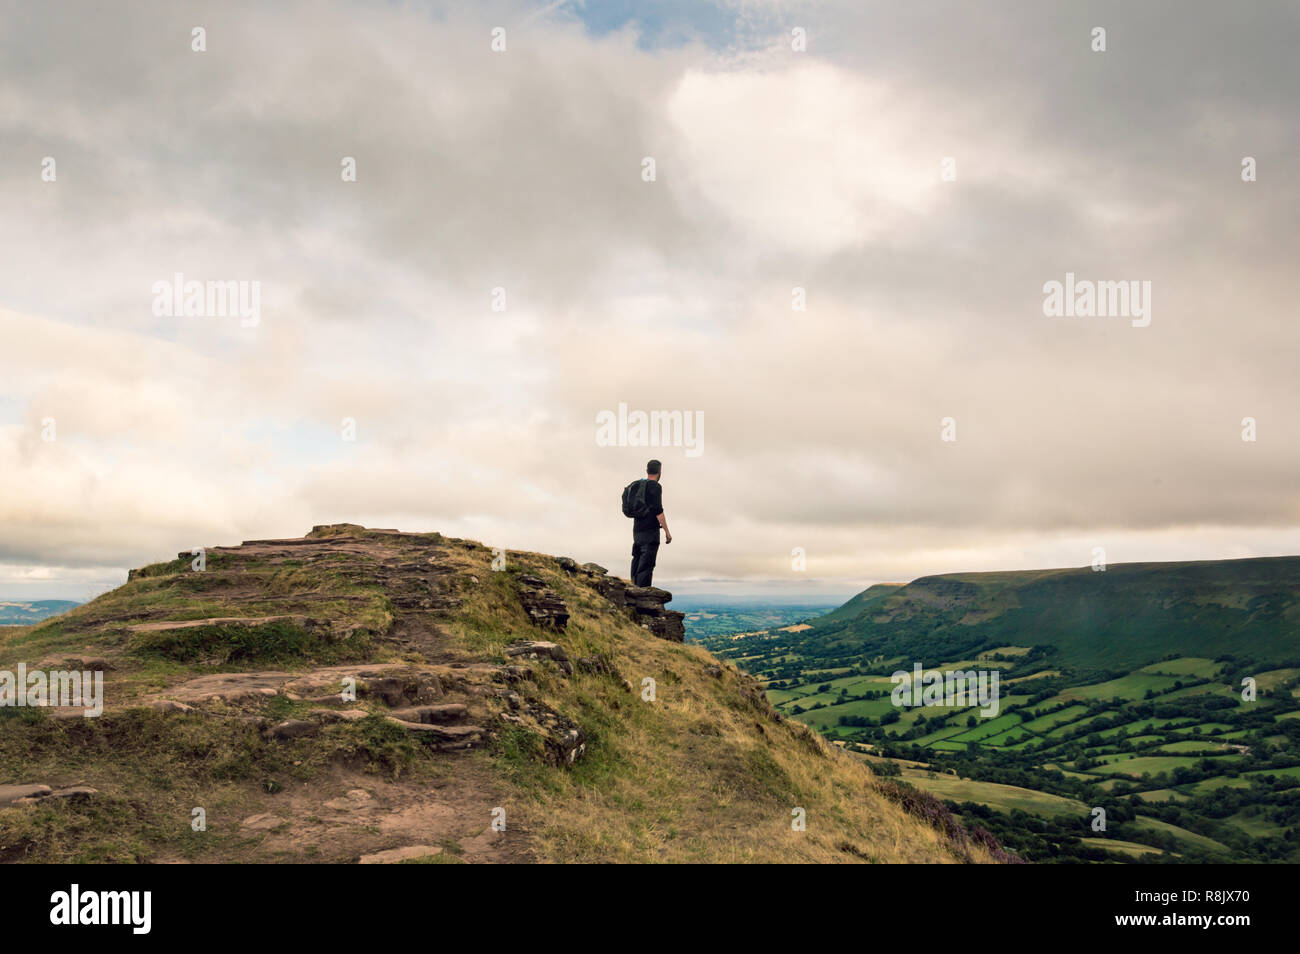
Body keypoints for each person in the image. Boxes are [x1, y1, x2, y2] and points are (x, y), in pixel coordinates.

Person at [631, 459, 671, 587]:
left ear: (647, 470)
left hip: (637, 530)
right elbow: (658, 511)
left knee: (637, 560)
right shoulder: (655, 486)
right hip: (650, 532)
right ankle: (642, 597)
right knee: (646, 565)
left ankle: (632, 589)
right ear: (659, 471)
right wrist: (667, 532)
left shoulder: (638, 485)